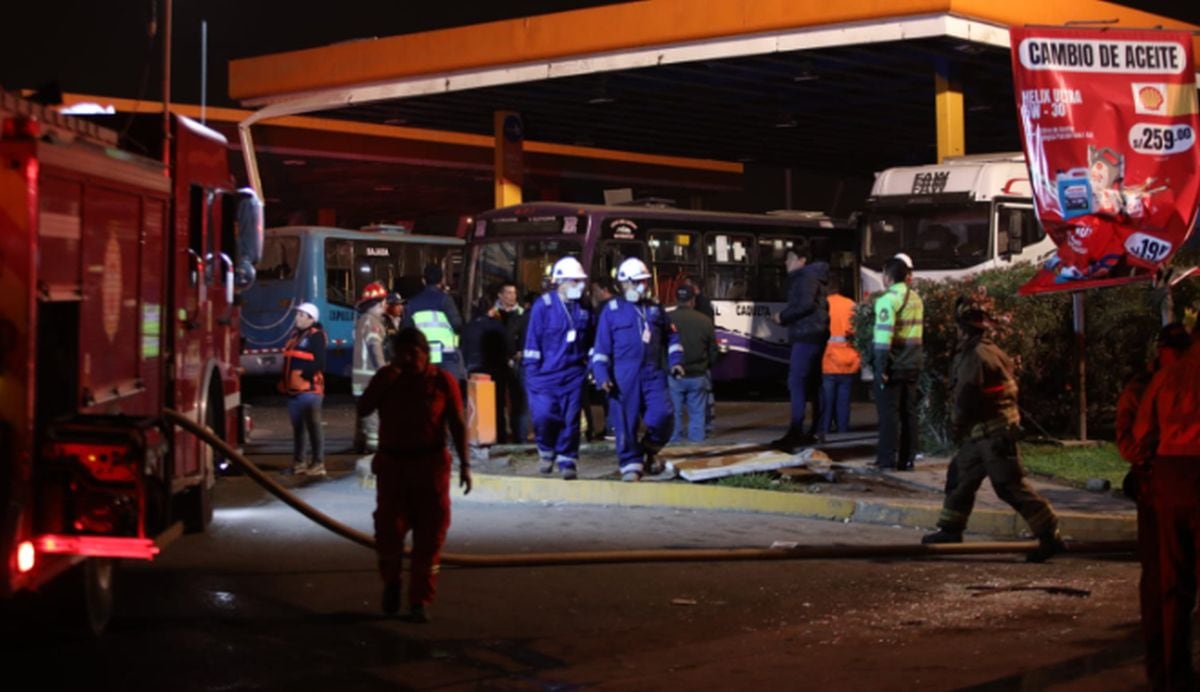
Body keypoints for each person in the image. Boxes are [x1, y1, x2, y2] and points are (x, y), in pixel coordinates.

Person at [922, 297, 1064, 563]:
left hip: (994, 435)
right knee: (960, 476)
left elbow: (967, 396)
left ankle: (1049, 534)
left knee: (1009, 486)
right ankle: (950, 530)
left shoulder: (975, 356)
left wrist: (956, 424)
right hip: (983, 434)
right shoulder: (989, 351)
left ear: (962, 328)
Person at [358, 327, 471, 622]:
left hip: (430, 468)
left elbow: (457, 423)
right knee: (389, 533)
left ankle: (420, 600)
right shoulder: (387, 378)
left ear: (426, 354)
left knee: (430, 537)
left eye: (414, 353)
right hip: (394, 467)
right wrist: (387, 379)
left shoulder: (442, 381)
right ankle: (392, 583)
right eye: (402, 353)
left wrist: (466, 466)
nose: (409, 359)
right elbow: (363, 408)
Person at [1118, 323, 1191, 690]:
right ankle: (1165, 668)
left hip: (1168, 482)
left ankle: (1169, 671)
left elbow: (1141, 434)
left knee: (1172, 582)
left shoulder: (1164, 380)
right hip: (1158, 485)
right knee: (1163, 580)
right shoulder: (1146, 385)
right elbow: (1132, 442)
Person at [592, 257, 684, 481]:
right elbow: (601, 349)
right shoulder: (611, 311)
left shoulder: (655, 309)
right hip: (623, 376)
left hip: (652, 373)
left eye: (645, 281)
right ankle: (631, 465)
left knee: (663, 415)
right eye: (639, 281)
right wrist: (602, 376)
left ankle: (650, 448)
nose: (644, 286)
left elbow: (672, 337)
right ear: (624, 284)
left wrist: (676, 361)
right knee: (626, 422)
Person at [522, 257, 593, 479]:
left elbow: (592, 339)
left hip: (573, 374)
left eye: (581, 281)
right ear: (560, 281)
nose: (579, 285)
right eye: (574, 281)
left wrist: (590, 365)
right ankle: (546, 451)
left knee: (570, 419)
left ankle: (567, 459)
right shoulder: (543, 306)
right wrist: (532, 373)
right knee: (543, 416)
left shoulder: (584, 307)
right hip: (544, 375)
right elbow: (533, 340)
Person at [770, 239, 829, 452]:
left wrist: (783, 317)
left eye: (790, 258)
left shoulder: (805, 277)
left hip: (806, 335)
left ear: (801, 260)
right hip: (815, 334)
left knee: (796, 382)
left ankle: (796, 431)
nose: (786, 263)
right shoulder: (814, 276)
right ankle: (816, 430)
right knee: (813, 384)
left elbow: (805, 304)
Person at [872, 255, 924, 470]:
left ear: (889, 277)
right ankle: (908, 459)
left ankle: (886, 459)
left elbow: (883, 339)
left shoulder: (887, 300)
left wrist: (881, 367)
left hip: (894, 365)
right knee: (908, 412)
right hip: (913, 363)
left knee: (889, 414)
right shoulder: (916, 299)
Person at [279, 302, 327, 477]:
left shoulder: (316, 336)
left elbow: (320, 362)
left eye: (301, 315)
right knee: (298, 429)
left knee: (313, 427)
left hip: (309, 391)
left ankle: (318, 463)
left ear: (311, 319)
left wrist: (304, 376)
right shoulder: (295, 336)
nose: (297, 318)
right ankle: (299, 463)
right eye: (297, 314)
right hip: (293, 391)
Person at [402, 263, 466, 390]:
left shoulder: (412, 303)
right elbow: (457, 324)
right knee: (448, 390)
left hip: (423, 355)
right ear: (442, 280)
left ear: (423, 280)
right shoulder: (446, 300)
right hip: (446, 355)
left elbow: (406, 330)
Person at [668, 284, 717, 443]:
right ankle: (696, 447)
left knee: (674, 413)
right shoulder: (705, 321)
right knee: (697, 414)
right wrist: (706, 366)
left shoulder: (667, 319)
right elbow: (713, 350)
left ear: (676, 299)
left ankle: (674, 447)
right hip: (698, 374)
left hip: (674, 374)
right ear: (693, 300)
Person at [461, 296, 511, 439]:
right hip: (496, 369)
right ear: (490, 310)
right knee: (498, 404)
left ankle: (478, 435)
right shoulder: (498, 326)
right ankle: (499, 436)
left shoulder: (468, 327)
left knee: (476, 404)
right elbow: (507, 347)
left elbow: (463, 350)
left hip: (474, 369)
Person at [819, 273, 861, 442]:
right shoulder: (851, 304)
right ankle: (843, 429)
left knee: (827, 399)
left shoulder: (823, 305)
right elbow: (857, 332)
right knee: (844, 399)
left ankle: (825, 430)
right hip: (849, 360)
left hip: (828, 360)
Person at [353, 282, 389, 454]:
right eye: (384, 302)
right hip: (370, 379)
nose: (386, 305)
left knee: (364, 415)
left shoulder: (362, 320)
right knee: (373, 419)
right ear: (378, 303)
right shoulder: (373, 323)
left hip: (360, 380)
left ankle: (361, 444)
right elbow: (375, 350)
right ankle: (375, 450)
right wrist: (385, 372)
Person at [681, 274, 716, 436]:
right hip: (701, 360)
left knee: (701, 396)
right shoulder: (704, 306)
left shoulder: (701, 307)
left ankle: (705, 426)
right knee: (702, 396)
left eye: (687, 285)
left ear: (694, 288)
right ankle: (703, 428)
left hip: (697, 360)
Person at [381, 291, 405, 361]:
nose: (401, 307)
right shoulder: (383, 322)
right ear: (388, 306)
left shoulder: (402, 321)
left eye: (401, 304)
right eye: (397, 305)